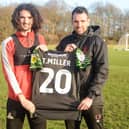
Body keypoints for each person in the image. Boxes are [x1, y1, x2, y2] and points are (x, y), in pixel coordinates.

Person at [56, 6, 108, 129]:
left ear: (88, 21)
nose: (79, 25)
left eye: (82, 21)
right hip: (70, 99)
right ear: (72, 22)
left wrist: (90, 96)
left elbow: (102, 70)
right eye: (76, 21)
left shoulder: (97, 41)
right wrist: (63, 53)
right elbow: (55, 66)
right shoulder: (65, 41)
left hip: (92, 100)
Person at [1, 3, 48, 129]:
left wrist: (47, 53)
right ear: (17, 19)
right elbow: (8, 73)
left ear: (34, 19)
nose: (26, 21)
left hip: (37, 99)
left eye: (29, 17)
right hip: (16, 100)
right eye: (22, 17)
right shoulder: (8, 43)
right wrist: (22, 99)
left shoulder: (41, 39)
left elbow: (47, 68)